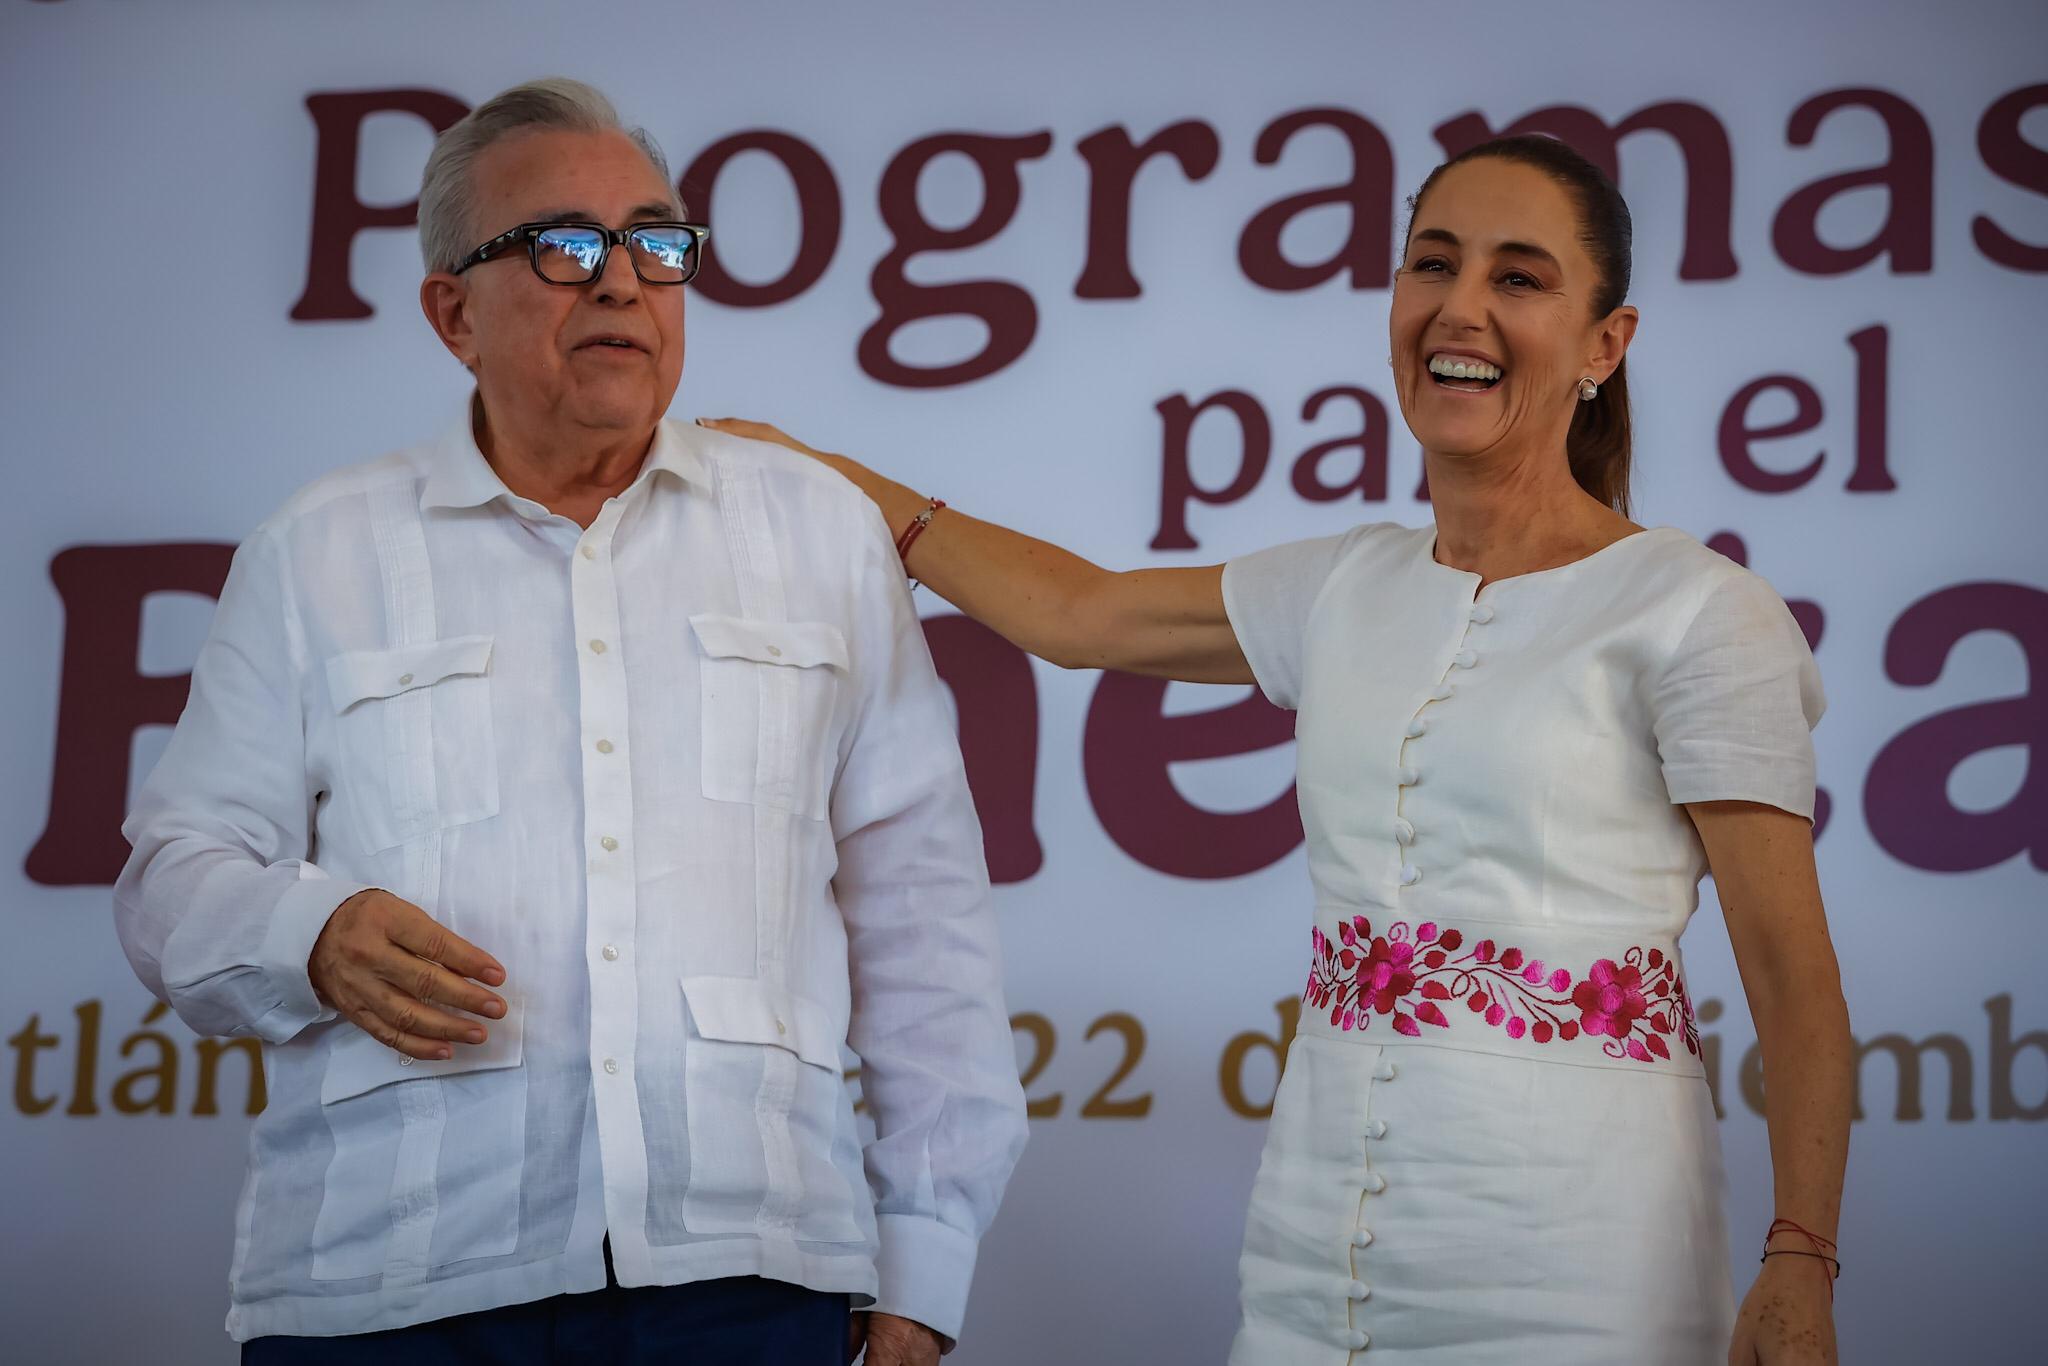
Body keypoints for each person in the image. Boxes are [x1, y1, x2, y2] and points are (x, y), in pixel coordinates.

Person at [705, 134, 1852, 1365]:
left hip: (1581, 1247)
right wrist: (838, 483)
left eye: (1517, 278)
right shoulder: (1347, 582)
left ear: (1603, 344)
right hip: (1316, 1236)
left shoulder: (1693, 608)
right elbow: (1079, 615)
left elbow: (1793, 985)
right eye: (1432, 264)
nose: (1458, 308)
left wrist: (1799, 1253)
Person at [114, 78, 1026, 1366]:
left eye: (656, 243)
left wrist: (924, 1271)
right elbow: (170, 879)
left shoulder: (817, 532)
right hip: (388, 1286)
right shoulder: (317, 551)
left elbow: (924, 923)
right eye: (561, 244)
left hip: (751, 1282)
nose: (619, 283)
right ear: (452, 312)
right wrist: (305, 932)